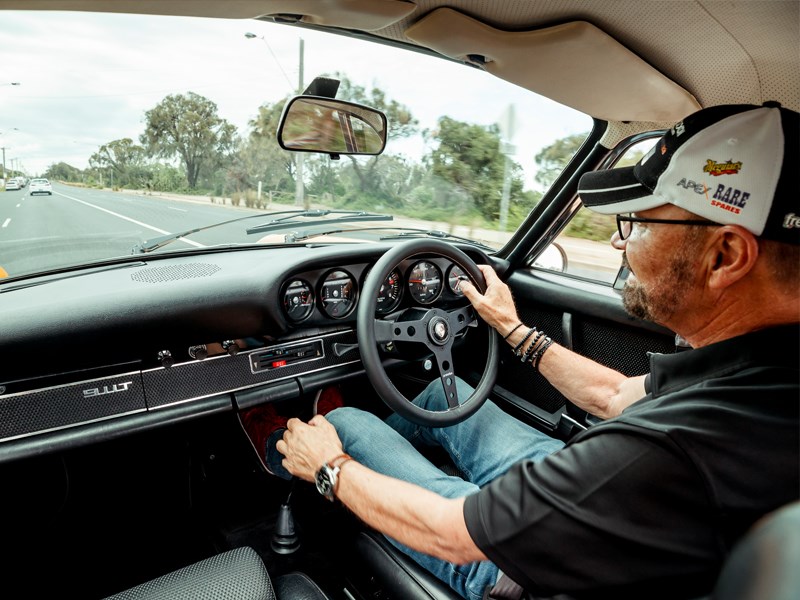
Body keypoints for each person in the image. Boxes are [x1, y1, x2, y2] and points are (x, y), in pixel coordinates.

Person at [244, 102, 799, 600]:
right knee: (446, 390)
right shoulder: (759, 371)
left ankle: (282, 447)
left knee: (348, 426)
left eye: (638, 222)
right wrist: (512, 328)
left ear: (725, 255)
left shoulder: (676, 449)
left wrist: (330, 467)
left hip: (522, 572)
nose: (617, 241)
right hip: (610, 517)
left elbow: (453, 533)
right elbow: (613, 394)